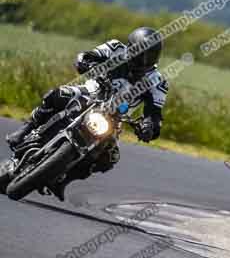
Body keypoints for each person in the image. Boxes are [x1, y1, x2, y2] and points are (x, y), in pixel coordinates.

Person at [5, 27, 169, 200]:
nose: (143, 60)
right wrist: (86, 63)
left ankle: (63, 181)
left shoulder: (157, 82)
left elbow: (155, 114)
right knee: (58, 94)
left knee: (110, 157)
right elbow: (85, 56)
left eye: (148, 56)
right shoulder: (115, 48)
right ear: (130, 46)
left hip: (115, 117)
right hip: (90, 92)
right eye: (139, 53)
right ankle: (26, 128)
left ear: (156, 57)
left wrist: (149, 127)